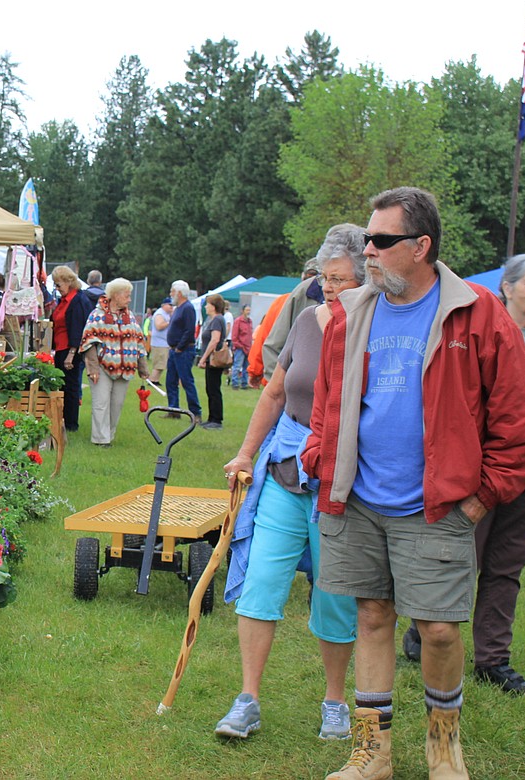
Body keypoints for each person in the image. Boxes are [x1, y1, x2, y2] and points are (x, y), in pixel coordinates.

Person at [303, 187, 525, 780]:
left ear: (421, 246)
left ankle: (443, 749)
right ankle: (371, 753)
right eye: (366, 241)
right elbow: (328, 401)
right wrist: (319, 454)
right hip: (357, 499)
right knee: (373, 616)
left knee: (437, 630)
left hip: (437, 507)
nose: (369, 254)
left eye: (381, 242)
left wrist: (482, 497)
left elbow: (518, 419)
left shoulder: (478, 312)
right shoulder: (352, 311)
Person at [214, 224, 365, 745]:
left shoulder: (378, 328)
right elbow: (276, 394)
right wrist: (245, 453)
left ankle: (335, 702)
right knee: (259, 587)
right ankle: (248, 700)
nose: (330, 288)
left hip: (341, 483)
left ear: (368, 282)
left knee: (335, 598)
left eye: (342, 280)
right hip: (284, 475)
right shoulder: (305, 320)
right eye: (325, 278)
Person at [401, 253, 525, 697]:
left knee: (505, 569)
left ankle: (492, 660)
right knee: (456, 560)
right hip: (477, 474)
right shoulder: (474, 326)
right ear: (507, 287)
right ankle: (423, 631)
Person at [80, 278, 149, 447]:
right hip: (102, 367)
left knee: (116, 404)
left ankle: (109, 435)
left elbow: (139, 341)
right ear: (115, 295)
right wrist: (93, 368)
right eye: (127, 295)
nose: (129, 299)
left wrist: (143, 367)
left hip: (125, 368)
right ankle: (100, 439)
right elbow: (88, 341)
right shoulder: (97, 315)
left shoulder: (130, 316)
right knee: (101, 403)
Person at [261, 258, 323, 380]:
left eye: (314, 275)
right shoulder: (293, 297)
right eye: (309, 275)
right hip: (290, 383)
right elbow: (270, 341)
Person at [50, 266, 94, 432]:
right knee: (63, 385)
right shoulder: (64, 300)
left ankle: (71, 424)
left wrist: (71, 354)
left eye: (58, 284)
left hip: (70, 350)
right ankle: (63, 420)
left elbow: (78, 328)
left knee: (71, 386)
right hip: (61, 348)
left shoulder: (77, 301)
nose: (56, 288)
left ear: (69, 282)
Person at [163, 280, 202, 420]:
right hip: (174, 350)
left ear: (179, 293)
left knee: (186, 381)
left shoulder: (187, 308)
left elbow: (189, 330)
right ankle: (173, 409)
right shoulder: (179, 308)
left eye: (172, 291)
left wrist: (180, 347)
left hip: (183, 351)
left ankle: (196, 412)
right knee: (170, 381)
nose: (170, 294)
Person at [197, 294, 228, 430]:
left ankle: (216, 419)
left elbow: (215, 340)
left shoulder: (217, 320)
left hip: (213, 360)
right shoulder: (217, 320)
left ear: (213, 306)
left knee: (214, 389)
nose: (205, 307)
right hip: (211, 360)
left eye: (207, 304)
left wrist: (203, 358)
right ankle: (211, 418)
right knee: (211, 388)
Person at [148, 297, 175, 384]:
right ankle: (152, 380)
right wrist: (170, 322)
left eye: (172, 305)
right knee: (159, 364)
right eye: (169, 305)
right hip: (159, 343)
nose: (171, 307)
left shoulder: (166, 314)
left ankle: (156, 380)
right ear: (164, 305)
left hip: (164, 343)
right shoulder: (159, 314)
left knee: (162, 364)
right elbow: (159, 326)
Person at [230, 304, 253, 390]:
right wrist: (240, 346)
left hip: (248, 347)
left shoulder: (250, 321)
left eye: (249, 310)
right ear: (242, 311)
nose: (248, 312)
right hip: (240, 348)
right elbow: (234, 336)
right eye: (247, 310)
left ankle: (244, 383)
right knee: (237, 366)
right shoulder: (238, 321)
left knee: (246, 367)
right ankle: (235, 383)